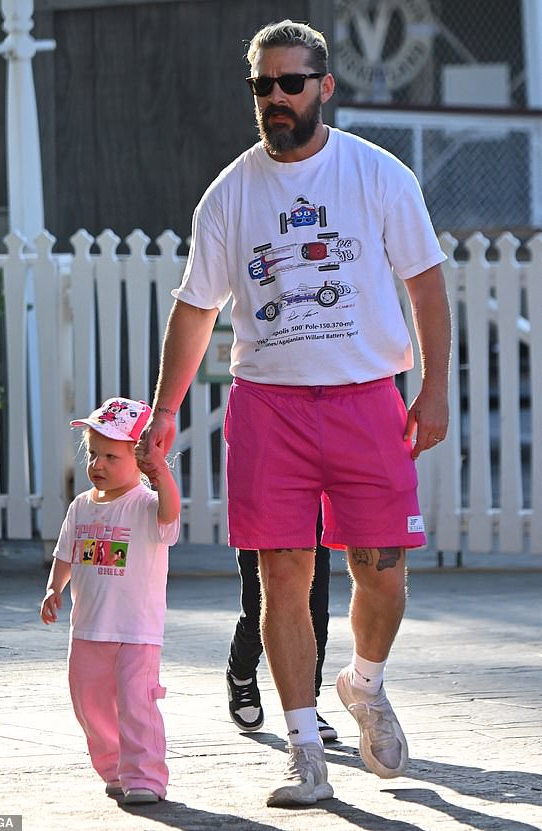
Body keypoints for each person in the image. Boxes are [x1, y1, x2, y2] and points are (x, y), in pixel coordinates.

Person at [136, 19, 450, 808]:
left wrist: (435, 385)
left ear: (324, 87)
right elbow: (194, 308)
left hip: (366, 398)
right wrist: (164, 408)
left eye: (290, 82)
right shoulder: (230, 193)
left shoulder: (378, 176)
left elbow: (425, 285)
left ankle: (365, 684)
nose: (275, 97)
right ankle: (303, 746)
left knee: (384, 573)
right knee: (282, 575)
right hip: (269, 405)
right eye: (262, 86)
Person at [40, 397, 180, 805]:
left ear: (139, 460)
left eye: (111, 456)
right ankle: (116, 768)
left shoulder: (146, 505)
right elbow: (65, 554)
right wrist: (54, 589)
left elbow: (170, 512)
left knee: (137, 704)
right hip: (87, 630)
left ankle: (146, 776)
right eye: (93, 454)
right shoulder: (80, 506)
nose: (97, 465)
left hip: (136, 631)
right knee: (90, 702)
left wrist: (162, 473)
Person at [226, 512, 338, 742]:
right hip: (263, 490)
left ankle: (307, 704)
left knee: (314, 610)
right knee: (259, 609)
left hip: (312, 497)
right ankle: (240, 673)